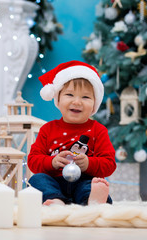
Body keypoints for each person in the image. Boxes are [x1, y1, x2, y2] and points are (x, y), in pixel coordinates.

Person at [28, 60, 116, 206]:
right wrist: (52, 162)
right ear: (58, 99)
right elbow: (33, 161)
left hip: (84, 181)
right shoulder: (47, 129)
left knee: (91, 185)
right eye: (69, 94)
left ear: (95, 103)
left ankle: (92, 201)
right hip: (54, 182)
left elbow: (109, 164)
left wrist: (88, 163)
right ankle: (56, 201)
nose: (77, 102)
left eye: (85, 97)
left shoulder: (98, 130)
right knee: (37, 180)